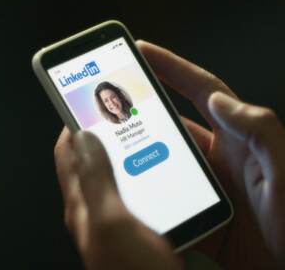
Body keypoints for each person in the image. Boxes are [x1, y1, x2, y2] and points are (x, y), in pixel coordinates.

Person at [54, 40, 285, 269]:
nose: (111, 102)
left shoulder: (138, 112)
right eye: (106, 101)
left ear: (119, 94)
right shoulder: (105, 128)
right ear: (103, 106)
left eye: (112, 96)